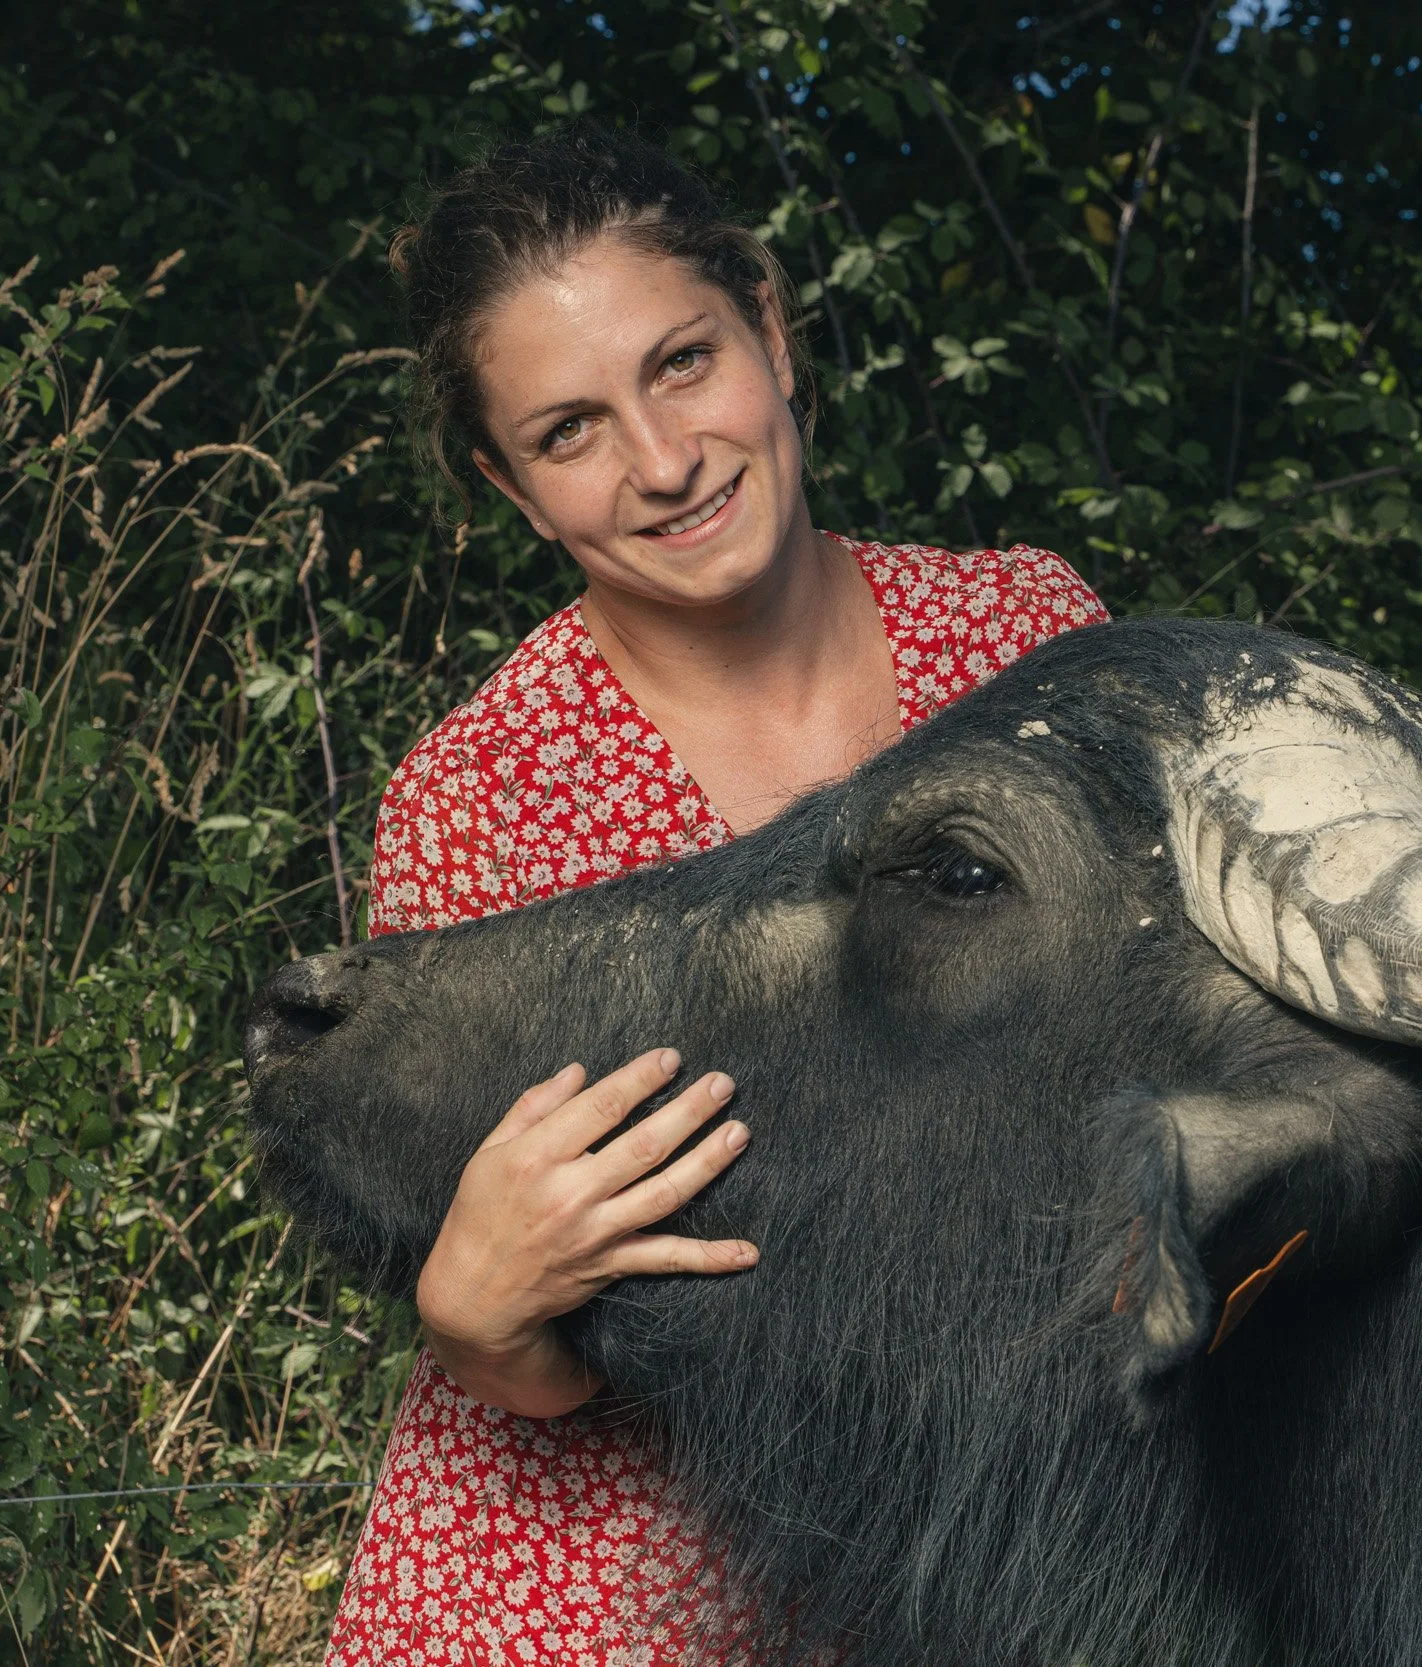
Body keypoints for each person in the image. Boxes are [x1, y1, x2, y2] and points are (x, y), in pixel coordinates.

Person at [326, 128, 1106, 1664]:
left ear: (770, 318)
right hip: (603, 1590)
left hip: (984, 1552)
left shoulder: (1030, 637)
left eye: (683, 361)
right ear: (508, 485)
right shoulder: (484, 797)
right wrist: (478, 1311)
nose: (664, 460)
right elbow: (539, 1359)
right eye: (569, 432)